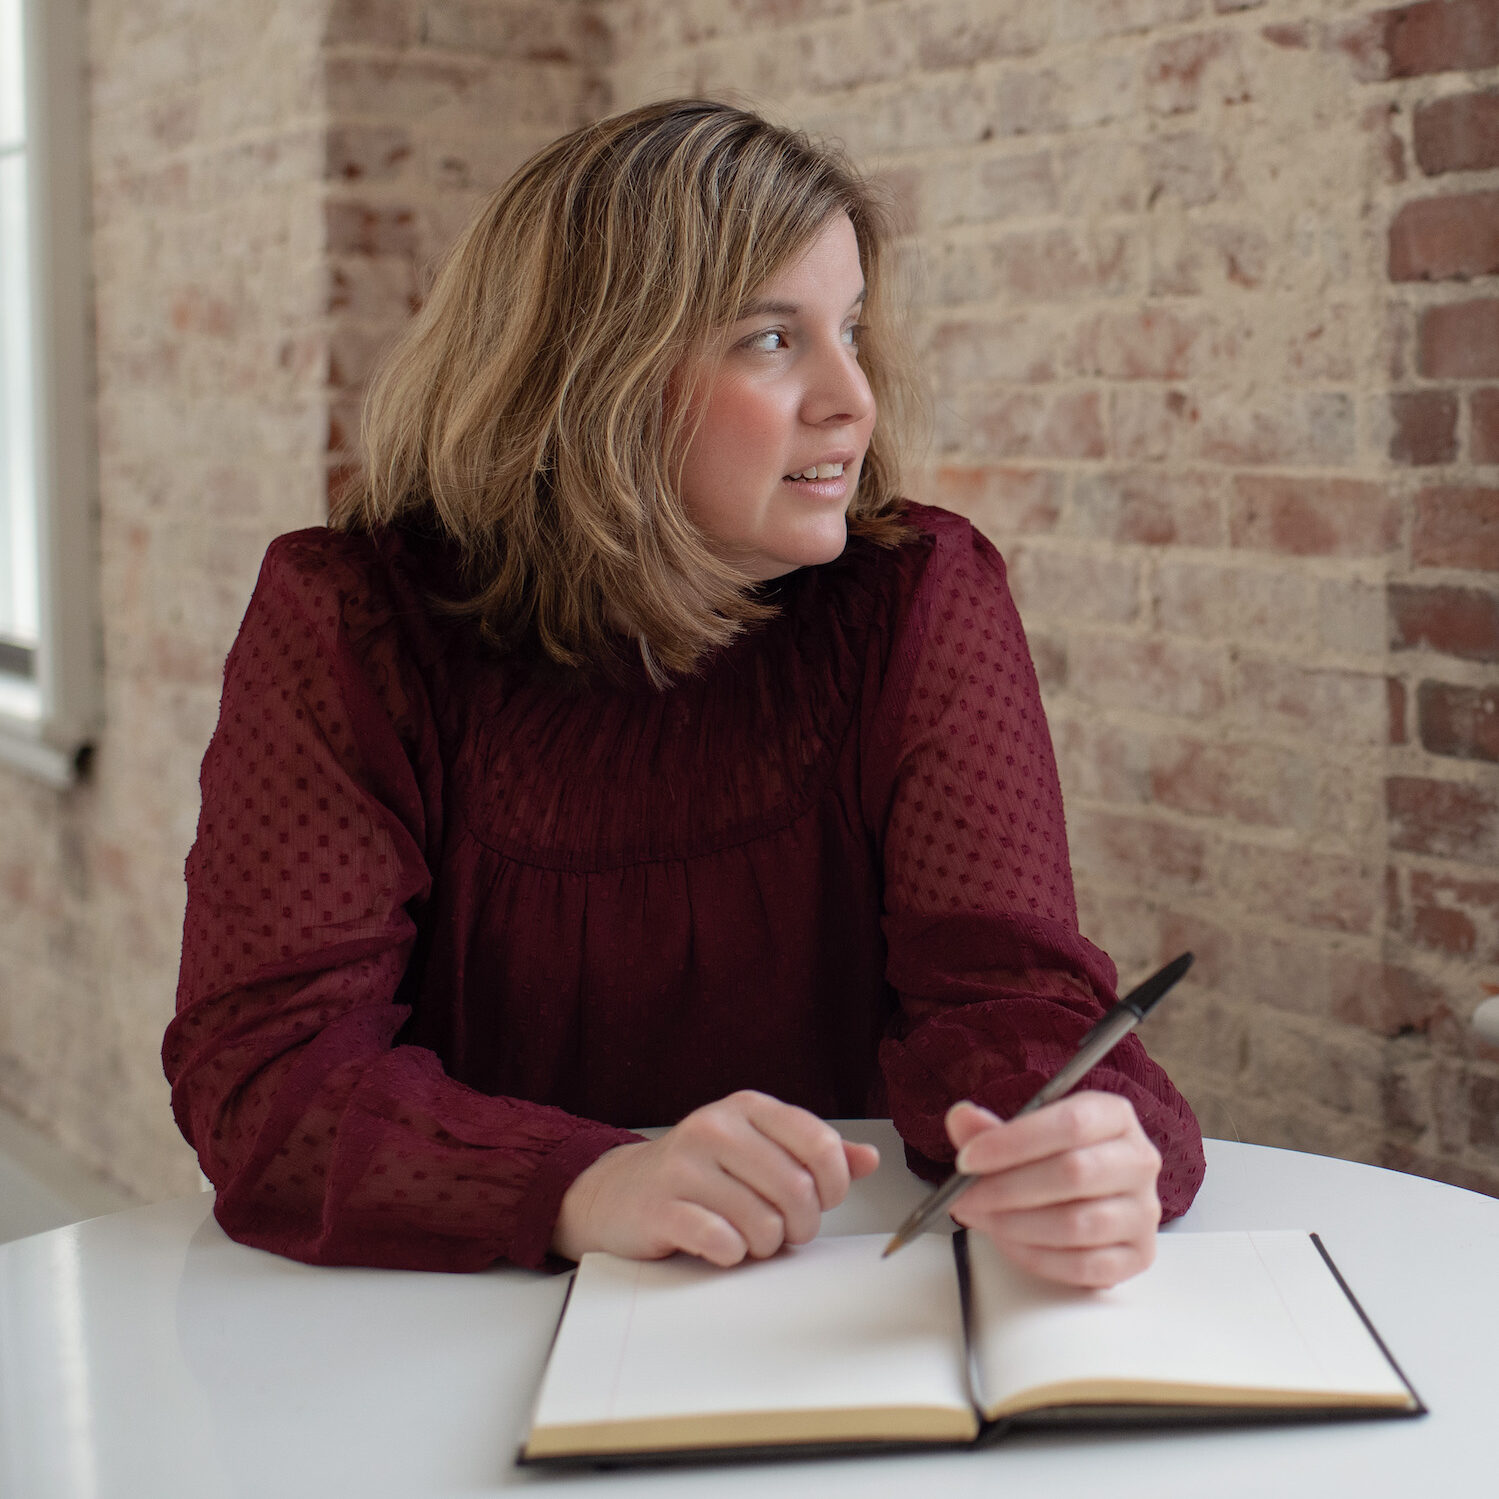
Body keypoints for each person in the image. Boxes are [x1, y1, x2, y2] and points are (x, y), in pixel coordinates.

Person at [164, 99, 1204, 1289]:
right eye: (770, 339)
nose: (849, 396)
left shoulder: (921, 596)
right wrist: (583, 1181)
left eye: (849, 328)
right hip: (453, 1326)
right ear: (590, 374)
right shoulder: (351, 619)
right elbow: (269, 1077)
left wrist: (1068, 1141)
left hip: (835, 1301)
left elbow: (1006, 993)